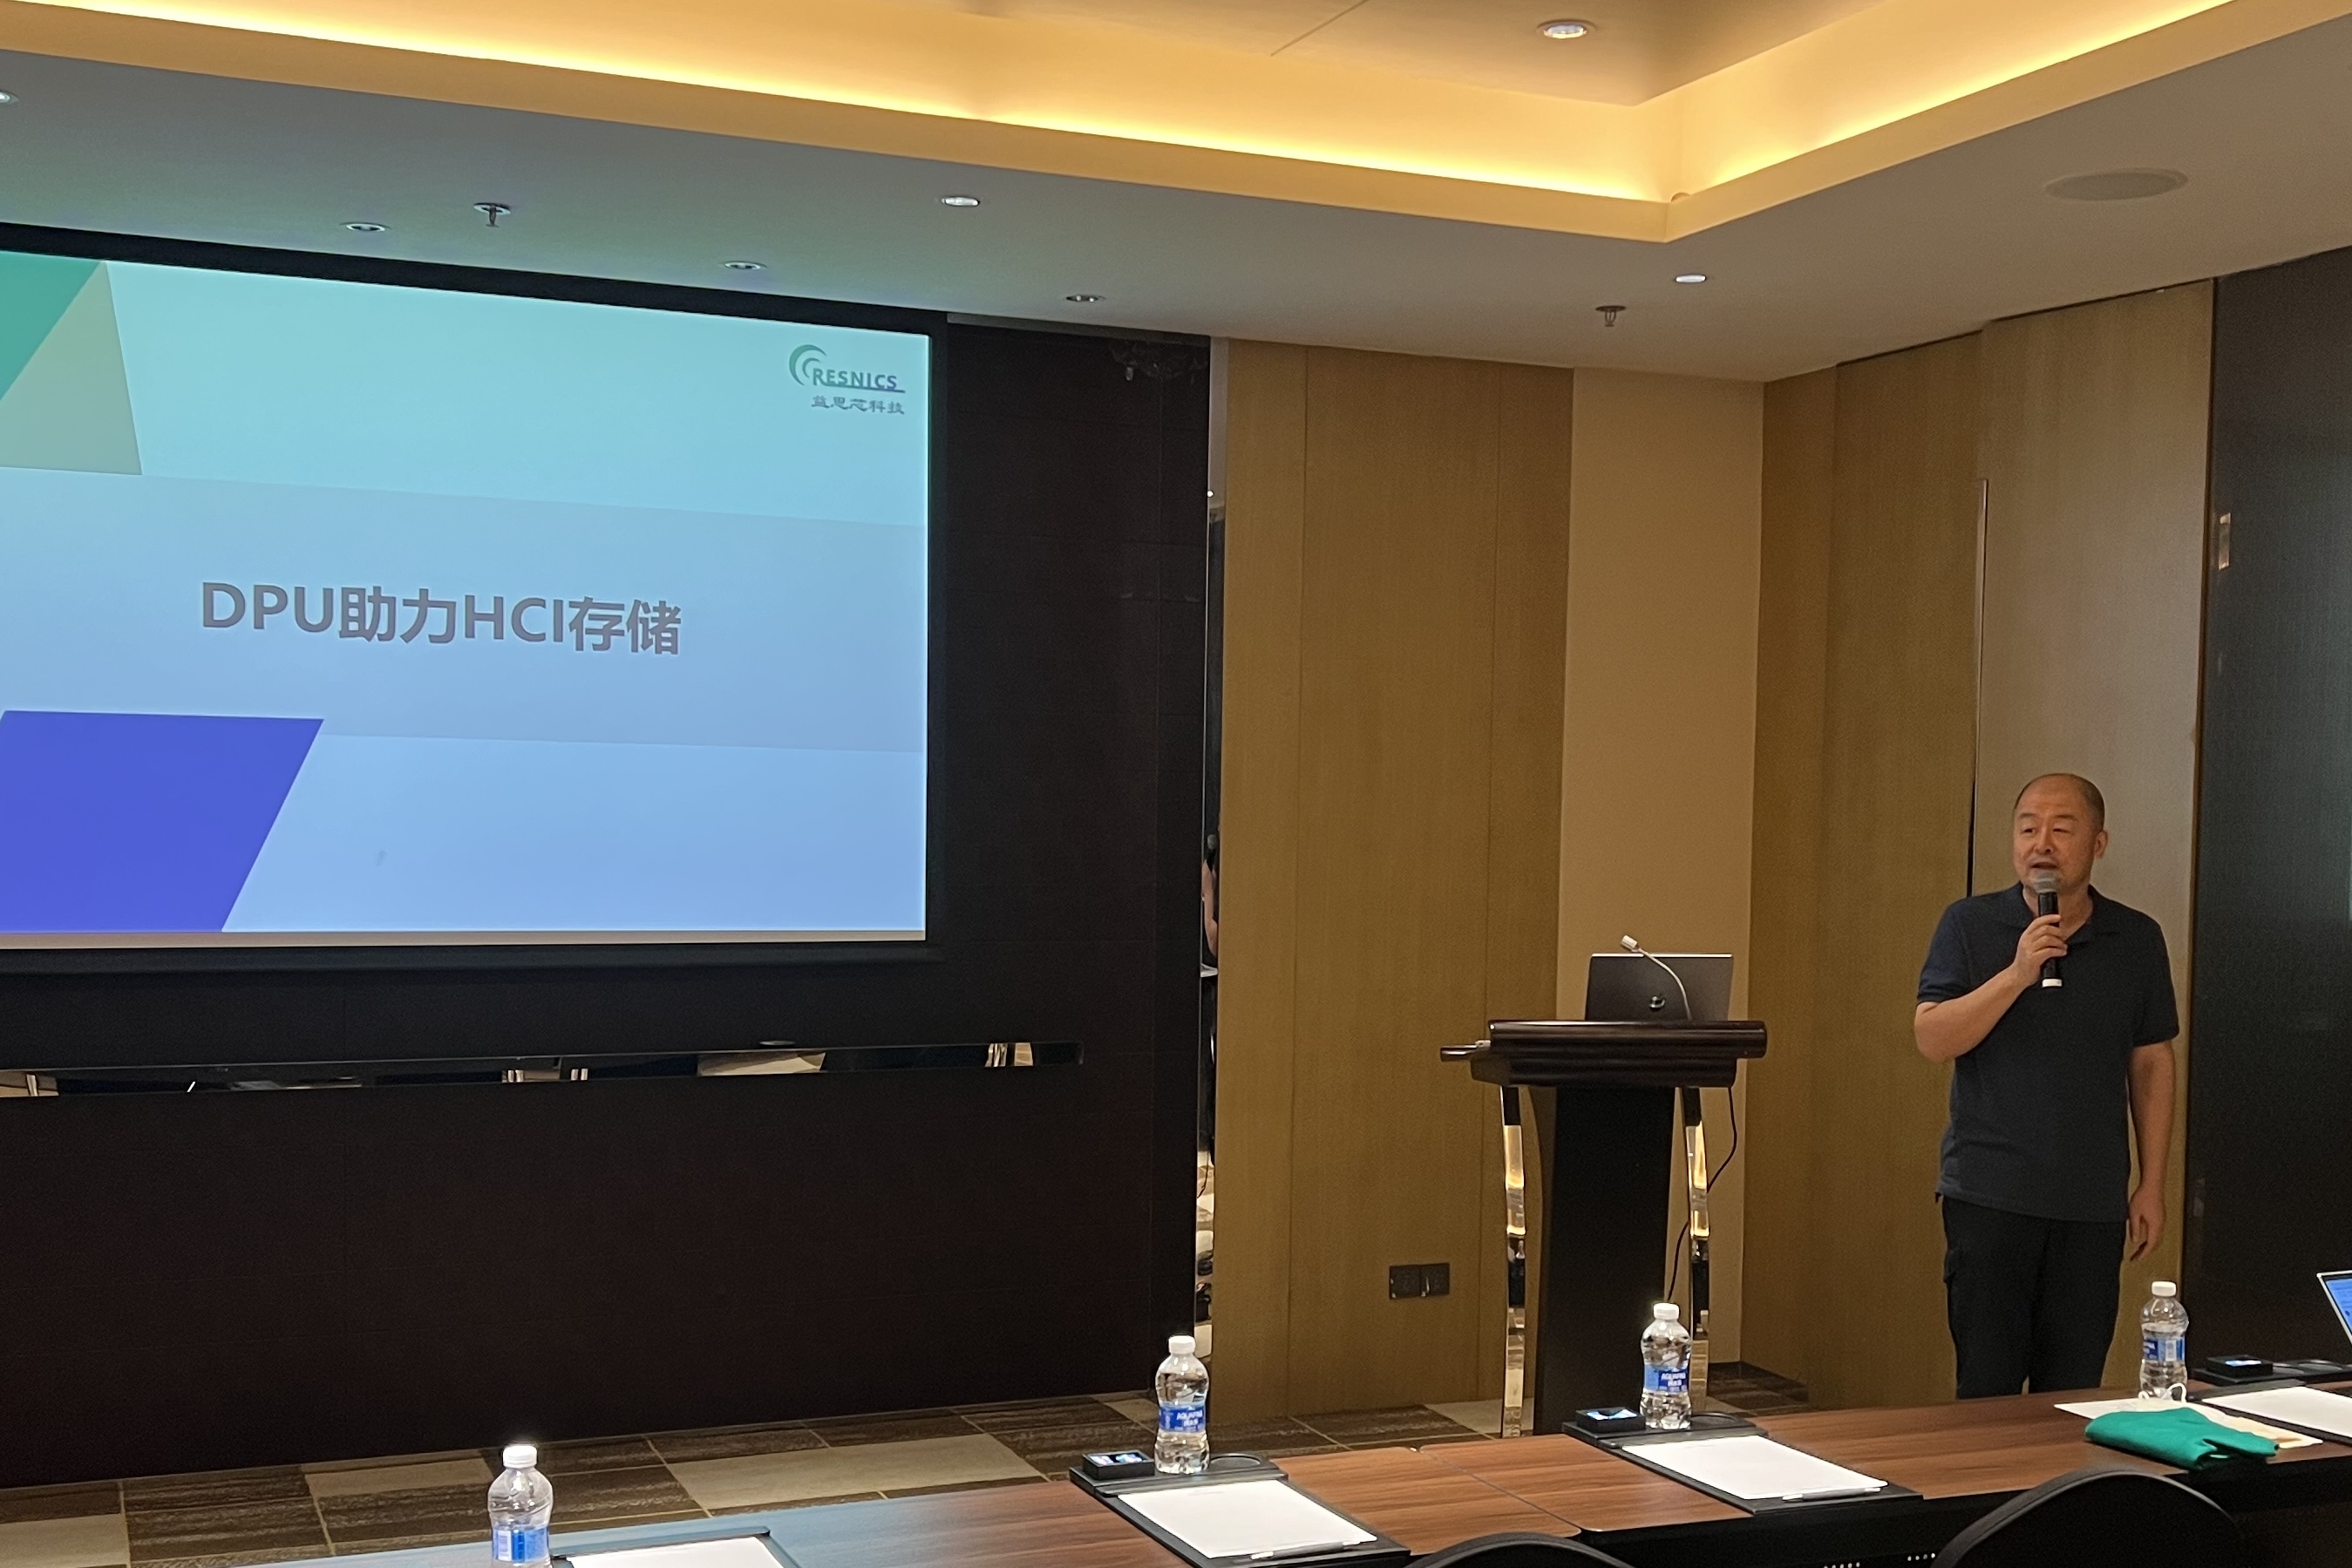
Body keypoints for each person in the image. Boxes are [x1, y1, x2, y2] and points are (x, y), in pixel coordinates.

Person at [1914, 773, 2179, 1397]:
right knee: (1987, 1390)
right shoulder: (1970, 924)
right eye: (2028, 827)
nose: (2042, 843)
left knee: (2074, 1392)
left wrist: (2152, 1183)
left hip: (2091, 1205)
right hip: (1990, 1196)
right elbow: (1932, 1037)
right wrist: (2017, 972)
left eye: (2062, 829)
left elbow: (2151, 1064)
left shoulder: (2136, 938)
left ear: (2098, 843)